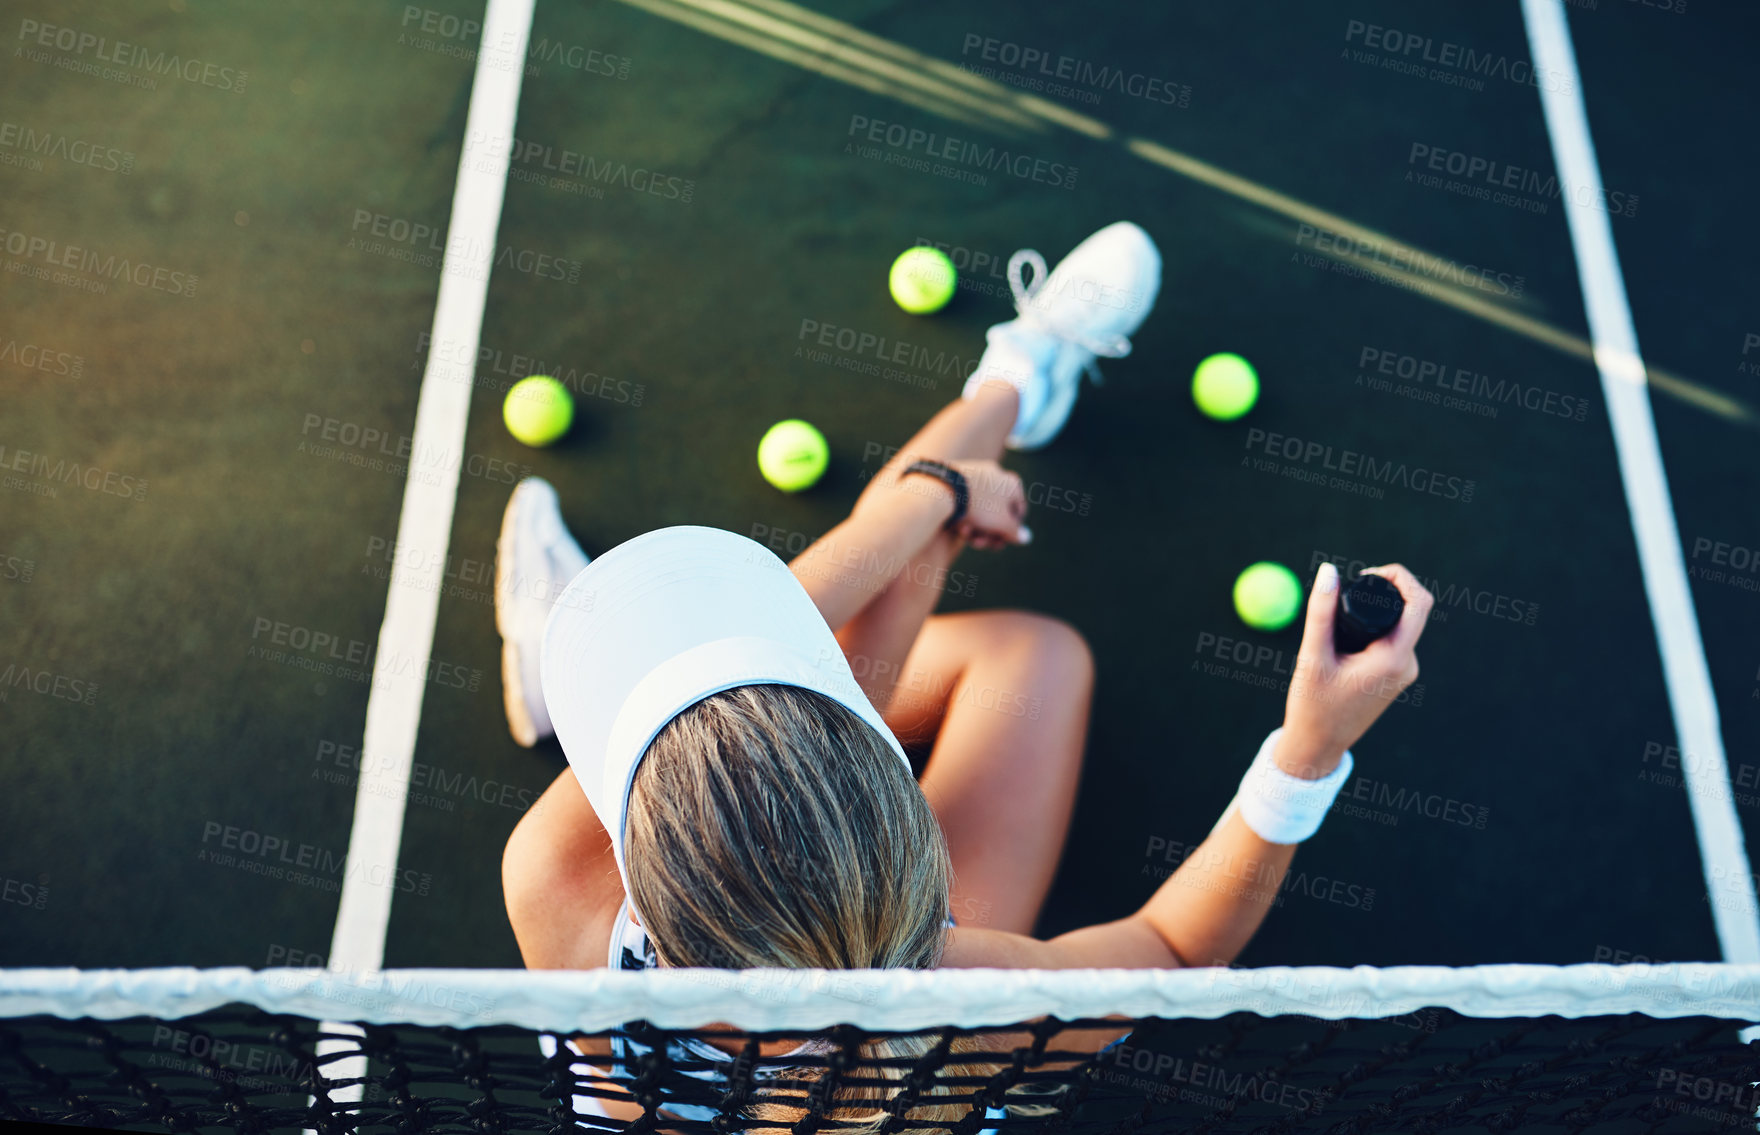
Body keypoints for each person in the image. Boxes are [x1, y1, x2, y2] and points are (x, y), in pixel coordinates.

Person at [497, 222, 1434, 1130]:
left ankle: (1014, 380)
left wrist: (943, 494)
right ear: (909, 841)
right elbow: (1171, 946)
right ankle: (1017, 371)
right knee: (1032, 658)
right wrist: (1311, 748)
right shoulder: (961, 997)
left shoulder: (559, 887)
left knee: (859, 633)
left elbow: (797, 625)